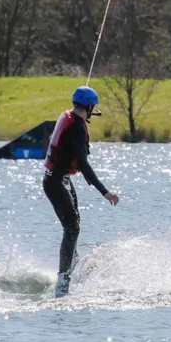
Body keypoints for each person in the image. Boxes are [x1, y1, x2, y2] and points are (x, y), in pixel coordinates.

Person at [43, 85, 119, 297]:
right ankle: (63, 281)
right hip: (56, 182)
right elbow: (83, 164)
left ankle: (72, 264)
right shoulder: (77, 127)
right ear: (90, 106)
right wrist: (104, 191)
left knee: (74, 224)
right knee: (71, 228)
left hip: (61, 179)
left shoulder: (69, 116)